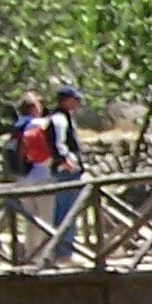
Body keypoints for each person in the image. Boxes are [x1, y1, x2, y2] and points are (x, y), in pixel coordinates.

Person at [45, 84, 88, 261]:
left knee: (68, 210)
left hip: (67, 170)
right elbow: (58, 144)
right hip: (65, 172)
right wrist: (67, 161)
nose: (77, 103)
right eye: (75, 100)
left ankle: (65, 250)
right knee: (66, 212)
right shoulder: (59, 119)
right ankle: (63, 253)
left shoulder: (66, 117)